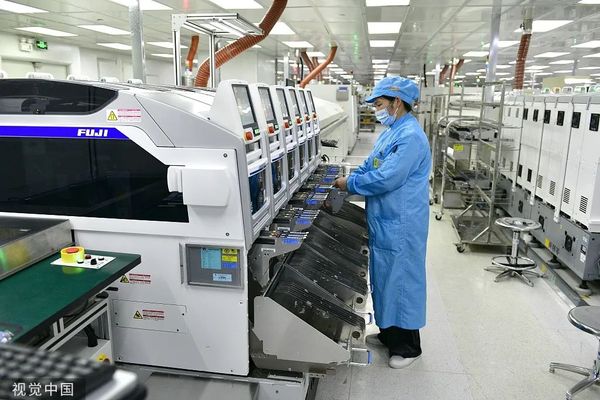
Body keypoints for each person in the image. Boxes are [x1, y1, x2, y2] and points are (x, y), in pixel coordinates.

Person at [333, 76, 430, 369]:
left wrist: (349, 184)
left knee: (402, 281)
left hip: (402, 222)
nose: (376, 109)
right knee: (385, 278)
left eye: (379, 104)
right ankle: (389, 334)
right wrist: (350, 177)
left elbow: (388, 177)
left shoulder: (410, 137)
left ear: (397, 102)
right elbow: (371, 164)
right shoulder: (392, 132)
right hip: (386, 219)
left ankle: (408, 347)